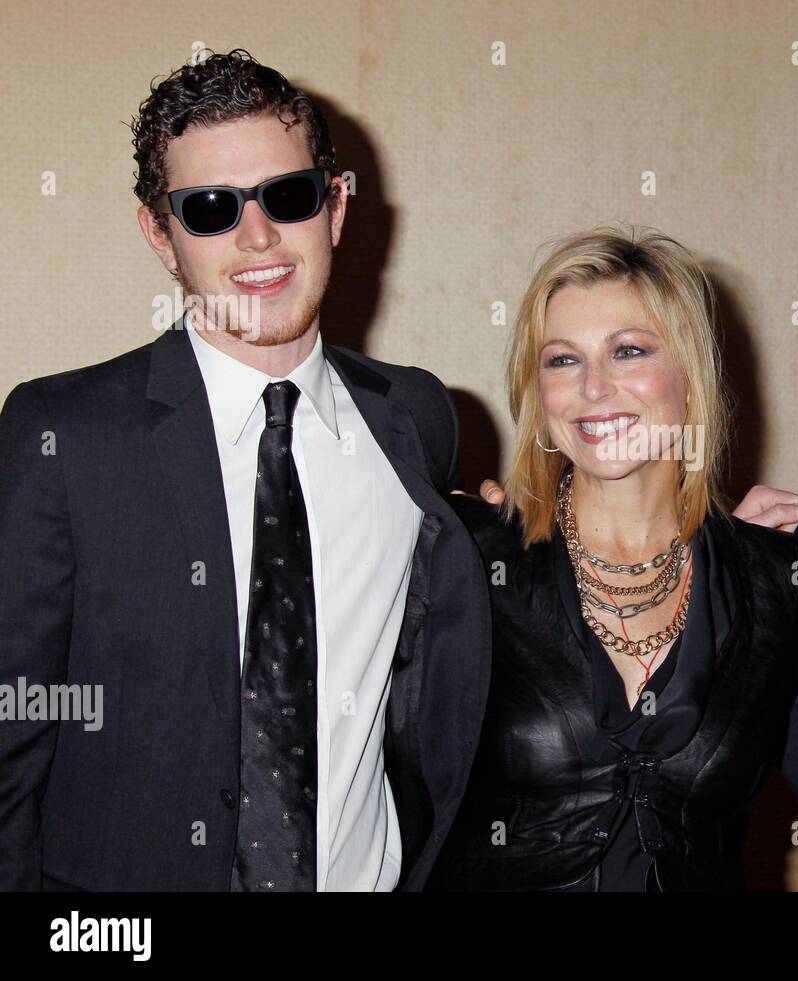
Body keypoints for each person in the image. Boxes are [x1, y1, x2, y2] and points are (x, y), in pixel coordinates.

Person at [0, 50, 491, 890]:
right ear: (160, 234)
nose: (257, 236)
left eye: (287, 196)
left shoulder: (415, 420)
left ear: (335, 206)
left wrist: (721, 533)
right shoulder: (63, 436)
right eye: (211, 209)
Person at [431, 227, 798, 891]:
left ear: (689, 377)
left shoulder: (776, 584)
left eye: (629, 351)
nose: (594, 386)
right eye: (562, 360)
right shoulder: (468, 560)